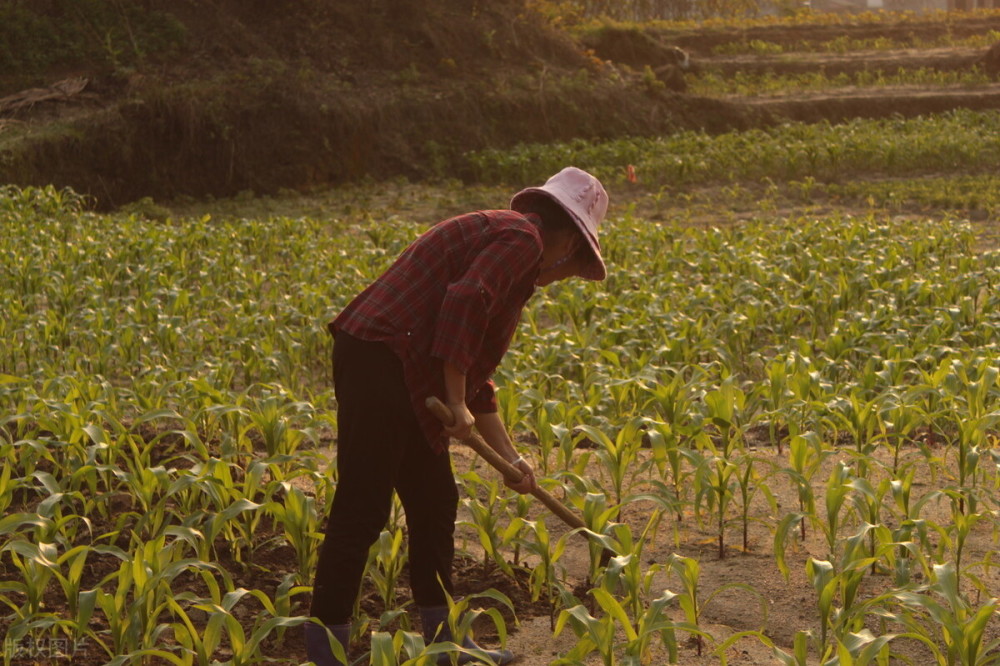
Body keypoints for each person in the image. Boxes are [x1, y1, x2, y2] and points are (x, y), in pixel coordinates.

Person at [305, 167, 609, 666]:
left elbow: (475, 377)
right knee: (362, 509)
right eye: (570, 269)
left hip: (403, 369)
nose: (558, 277)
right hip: (381, 359)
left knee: (434, 500)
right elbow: (463, 302)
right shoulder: (522, 238)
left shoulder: (511, 257)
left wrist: (512, 459)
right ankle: (325, 654)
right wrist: (454, 396)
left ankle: (444, 642)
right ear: (568, 245)